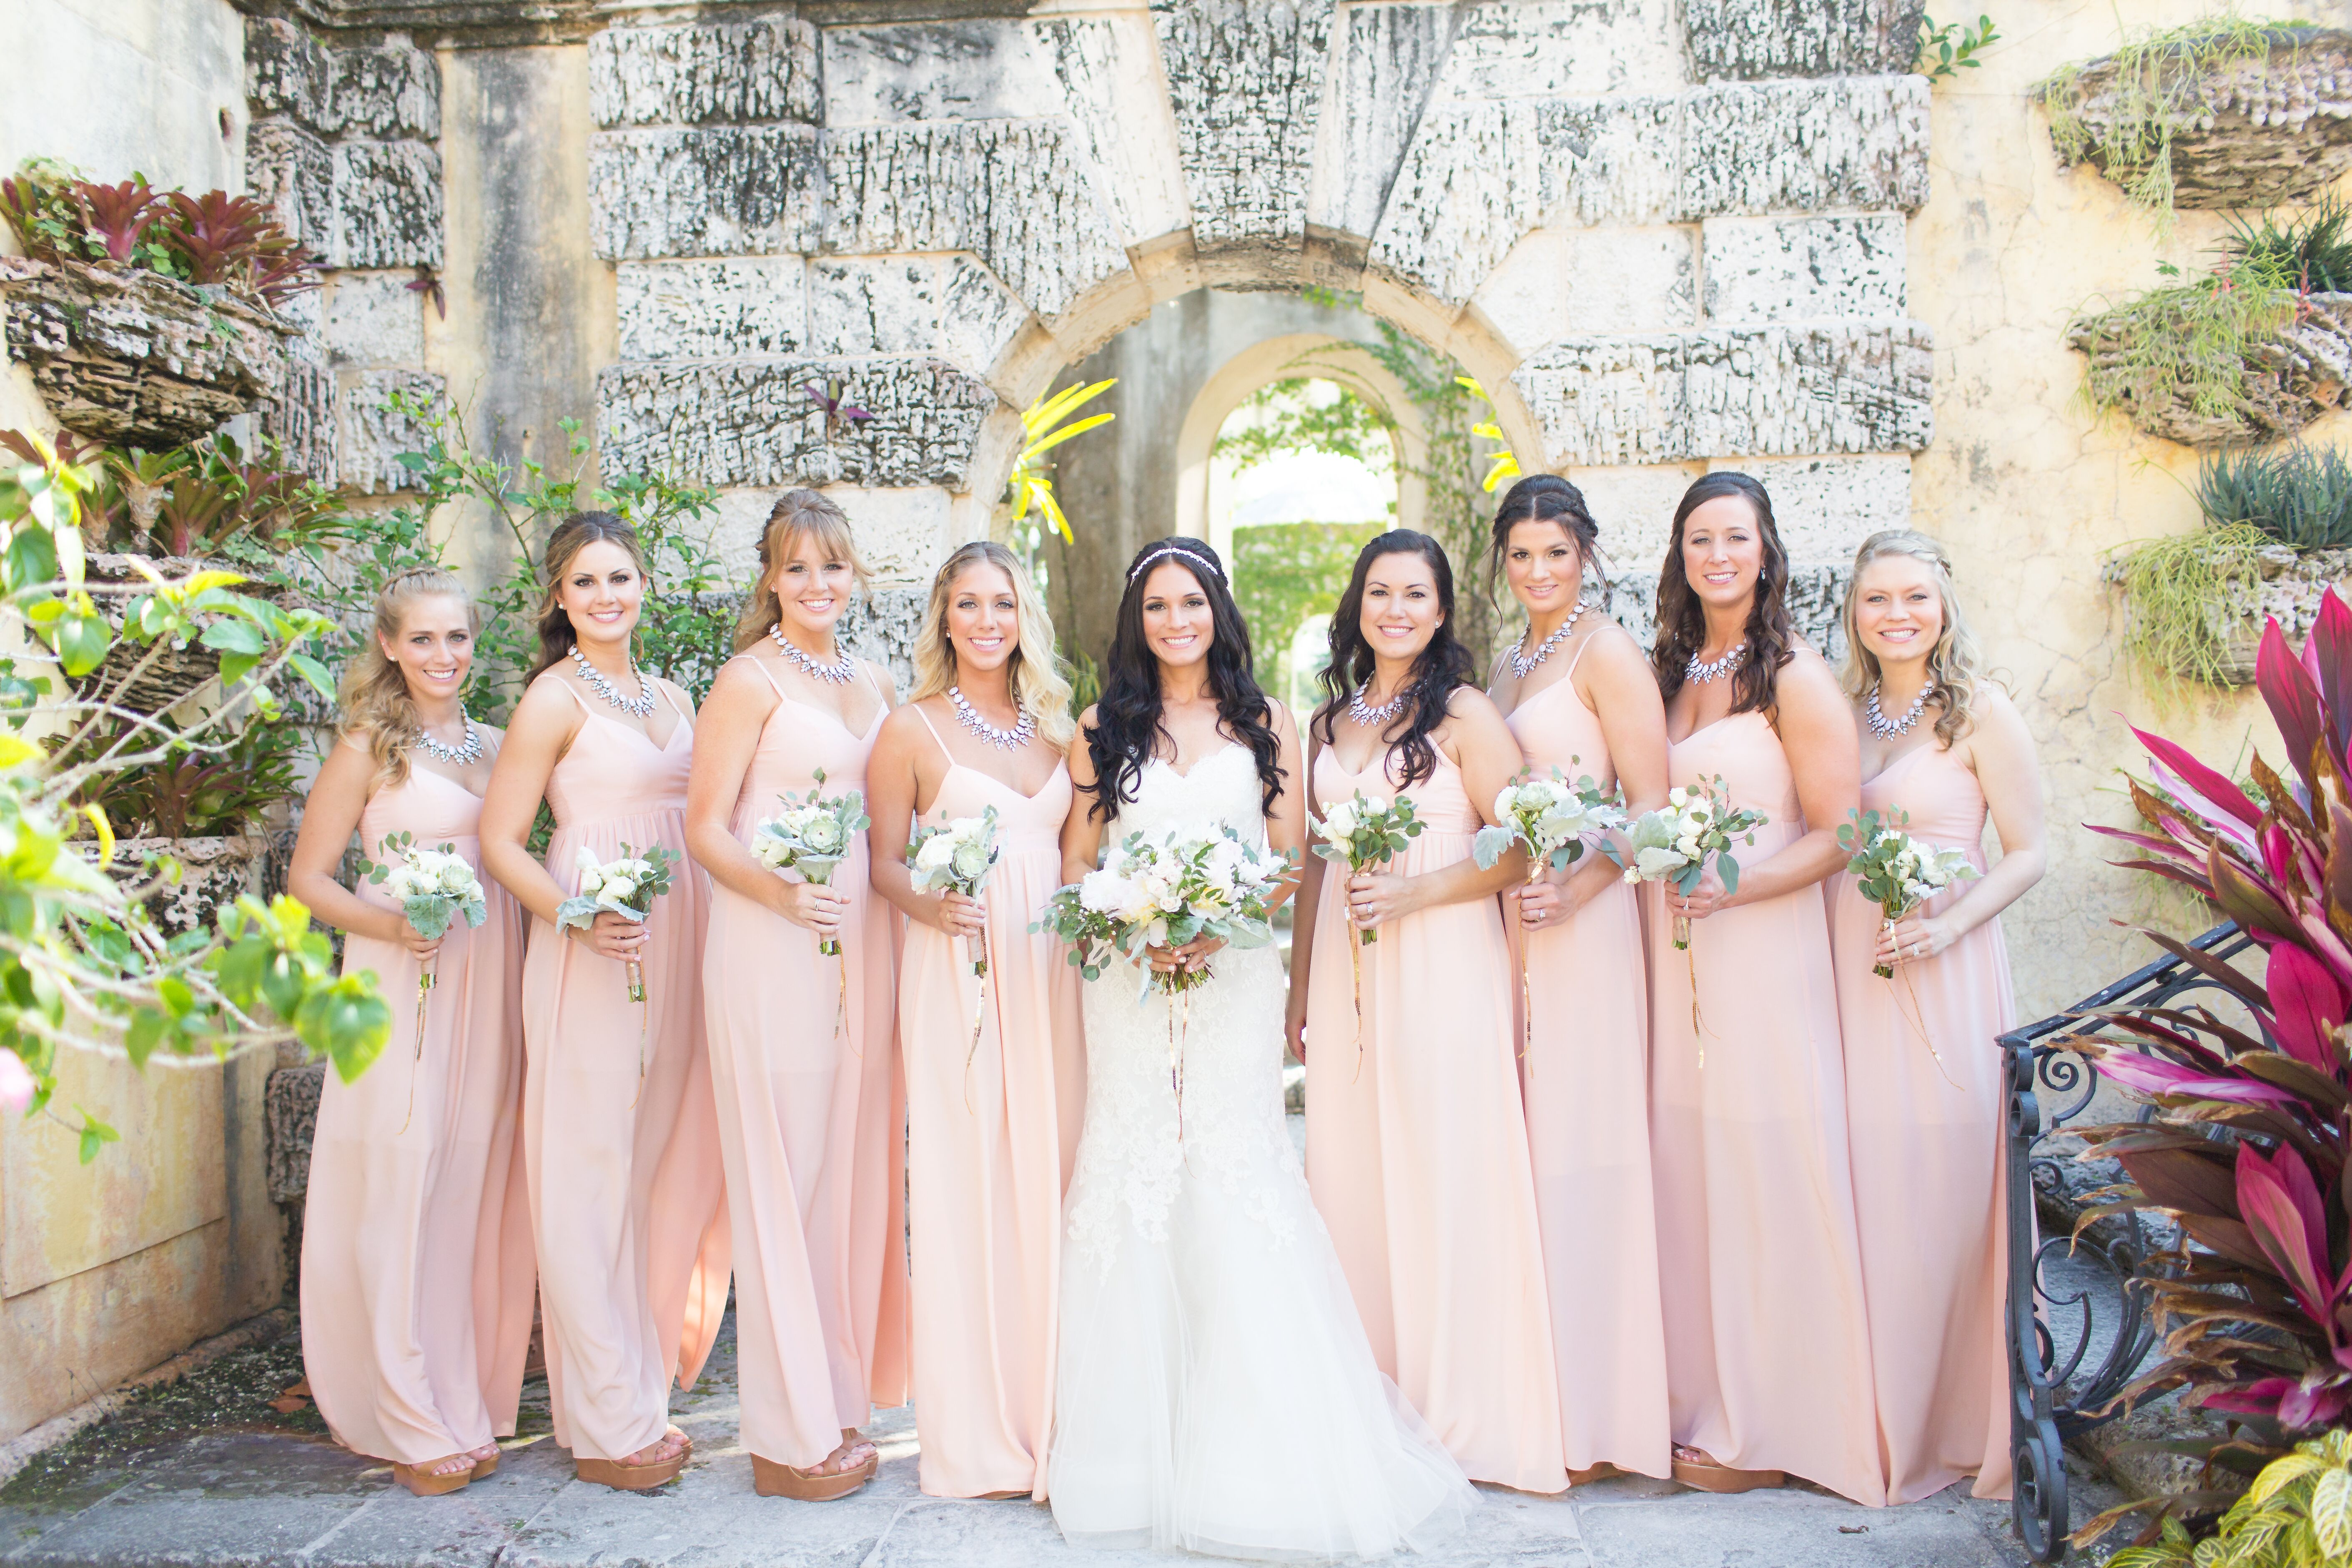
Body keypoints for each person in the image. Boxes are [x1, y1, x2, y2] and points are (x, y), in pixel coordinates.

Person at [1053, 536, 1476, 1557]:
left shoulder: (1269, 721)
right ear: (1134, 621)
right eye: (1155, 607)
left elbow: (1289, 862)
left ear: (1217, 611)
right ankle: (1124, 1460)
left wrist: (1214, 922)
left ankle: (1252, 1458)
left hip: (1234, 968)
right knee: (1136, 1170)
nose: (1174, 623)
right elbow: (1075, 862)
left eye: (1190, 603)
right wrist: (1125, 924)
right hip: (1128, 981)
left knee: (1235, 1168)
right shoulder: (1102, 726)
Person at [1286, 529, 1568, 1495]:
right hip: (1344, 970)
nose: (1395, 610)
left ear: (1442, 610)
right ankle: (1376, 1396)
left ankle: (1469, 1409)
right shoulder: (1327, 723)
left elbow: (1526, 846)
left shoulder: (1462, 714)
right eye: (1379, 593)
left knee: (1447, 1166)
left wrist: (1419, 893)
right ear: (1357, 607)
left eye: (1415, 594)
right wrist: (1296, 995)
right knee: (1355, 1173)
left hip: (1444, 960)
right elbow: (1317, 866)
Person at [1644, 472, 1881, 1504]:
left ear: (1766, 548)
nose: (1717, 556)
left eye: (1734, 537)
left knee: (1766, 1168)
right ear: (1680, 556)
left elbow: (1843, 835)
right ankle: (1705, 1399)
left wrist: (1733, 894)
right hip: (1676, 951)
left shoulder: (1795, 676)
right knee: (1695, 1174)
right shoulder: (1668, 669)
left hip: (1762, 948)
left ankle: (1779, 1422)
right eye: (1699, 539)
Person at [480, 512, 727, 1492]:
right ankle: (608, 1424)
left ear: (643, 585)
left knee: (658, 1171)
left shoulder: (674, 694)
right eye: (585, 584)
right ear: (559, 599)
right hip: (595, 946)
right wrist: (575, 915)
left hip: (682, 939)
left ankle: (635, 1393)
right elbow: (503, 841)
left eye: (619, 578)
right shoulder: (551, 699)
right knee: (586, 1173)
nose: (606, 597)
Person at [288, 567, 532, 1497]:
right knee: (401, 1177)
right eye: (423, 639)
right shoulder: (368, 747)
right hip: (402, 978)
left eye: (458, 638)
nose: (443, 656)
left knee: (466, 1186)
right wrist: (394, 929)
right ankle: (404, 1411)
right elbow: (311, 878)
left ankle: (458, 1398)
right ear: (389, 645)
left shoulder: (500, 745)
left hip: (488, 973)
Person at [685, 492, 908, 1500]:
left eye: (835, 567)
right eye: (799, 568)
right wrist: (780, 893)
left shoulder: (873, 680)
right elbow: (704, 828)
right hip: (771, 944)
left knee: (841, 1174)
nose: (819, 585)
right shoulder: (748, 679)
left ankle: (833, 1395)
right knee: (779, 1173)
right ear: (771, 579)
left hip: (858, 946)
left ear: (853, 576)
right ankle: (783, 1436)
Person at [866, 541, 1086, 1500]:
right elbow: (880, 863)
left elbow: (1080, 847)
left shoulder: (1062, 729)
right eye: (968, 605)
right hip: (957, 963)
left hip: (1051, 968)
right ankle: (973, 1433)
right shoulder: (907, 731)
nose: (987, 621)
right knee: (967, 1179)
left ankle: (1058, 1413)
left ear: (1022, 617)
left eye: (1002, 603)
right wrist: (928, 904)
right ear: (943, 618)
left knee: (1053, 1175)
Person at [1830, 529, 2043, 1504]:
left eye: (1914, 597)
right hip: (1849, 968)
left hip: (1944, 972)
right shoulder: (1843, 711)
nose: (1896, 616)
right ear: (1854, 614)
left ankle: (1958, 1420)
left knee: (1941, 1189)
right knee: (1867, 1189)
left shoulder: (1978, 713)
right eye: (1877, 601)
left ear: (1944, 605)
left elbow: (2029, 851)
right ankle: (1872, 1416)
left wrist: (1948, 926)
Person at [1484, 477, 1674, 1484]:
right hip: (1517, 930)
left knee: (1584, 1146)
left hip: (1587, 931)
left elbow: (1652, 809)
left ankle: (1601, 1414)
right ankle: (1535, 1390)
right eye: (1520, 555)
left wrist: (1583, 891)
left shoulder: (1606, 653)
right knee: (1525, 1146)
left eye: (1554, 553)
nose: (1537, 571)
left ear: (1586, 555)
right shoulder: (1511, 660)